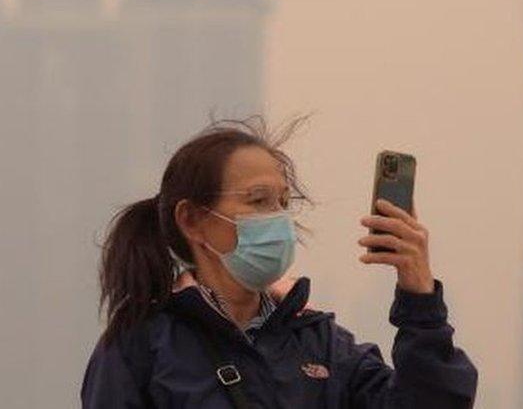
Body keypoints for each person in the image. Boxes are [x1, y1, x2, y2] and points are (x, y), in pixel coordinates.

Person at [80, 116, 478, 408]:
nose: (278, 218)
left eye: (283, 202)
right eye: (257, 201)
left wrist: (420, 296)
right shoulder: (141, 346)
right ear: (192, 219)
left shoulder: (320, 344)